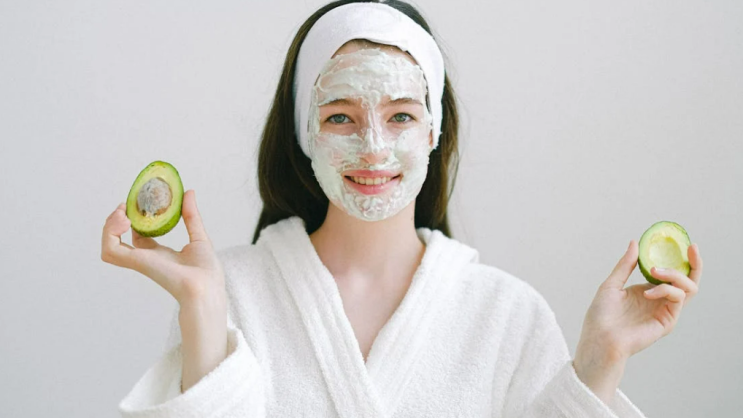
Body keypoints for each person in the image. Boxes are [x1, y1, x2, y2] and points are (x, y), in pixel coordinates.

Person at [101, 1, 704, 417]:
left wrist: (600, 360)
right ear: (306, 133)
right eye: (341, 116)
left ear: (434, 130)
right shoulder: (233, 291)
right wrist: (204, 309)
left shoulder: (508, 314)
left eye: (401, 116)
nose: (373, 148)